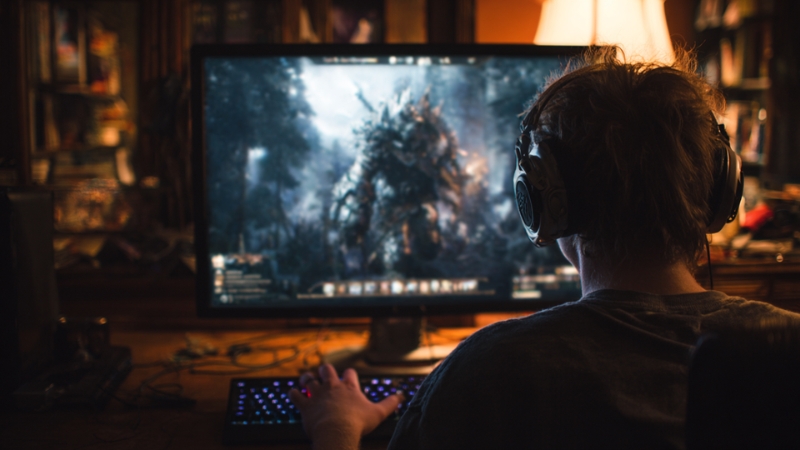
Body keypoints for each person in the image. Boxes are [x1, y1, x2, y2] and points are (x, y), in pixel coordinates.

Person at [287, 48, 800, 450]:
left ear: (540, 199)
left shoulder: (489, 373)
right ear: (718, 191)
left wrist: (336, 428)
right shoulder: (786, 351)